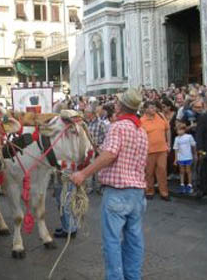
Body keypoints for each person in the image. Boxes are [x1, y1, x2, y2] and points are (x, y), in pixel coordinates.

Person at [71, 88, 148, 280]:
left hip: (117, 193)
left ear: (122, 107)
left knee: (112, 242)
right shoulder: (141, 130)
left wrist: (83, 173)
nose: (115, 104)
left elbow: (110, 154)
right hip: (137, 193)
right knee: (134, 240)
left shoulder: (118, 127)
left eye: (117, 102)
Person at [141, 101, 171, 201]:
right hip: (149, 151)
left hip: (162, 149)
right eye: (151, 107)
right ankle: (149, 191)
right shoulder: (142, 121)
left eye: (154, 107)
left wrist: (169, 143)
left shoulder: (161, 116)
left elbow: (167, 129)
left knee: (162, 171)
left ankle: (164, 192)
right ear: (145, 109)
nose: (154, 109)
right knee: (149, 172)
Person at [195, 96, 207, 198]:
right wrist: (200, 149)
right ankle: (203, 189)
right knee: (205, 169)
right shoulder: (203, 117)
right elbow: (199, 134)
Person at [173, 123, 197, 194]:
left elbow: (193, 145)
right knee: (181, 171)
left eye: (181, 130)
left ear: (184, 130)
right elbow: (176, 149)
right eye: (177, 130)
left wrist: (194, 154)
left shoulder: (189, 136)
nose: (179, 132)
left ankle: (189, 185)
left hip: (188, 157)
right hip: (181, 158)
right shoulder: (176, 138)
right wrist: (176, 159)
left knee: (188, 171)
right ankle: (182, 185)